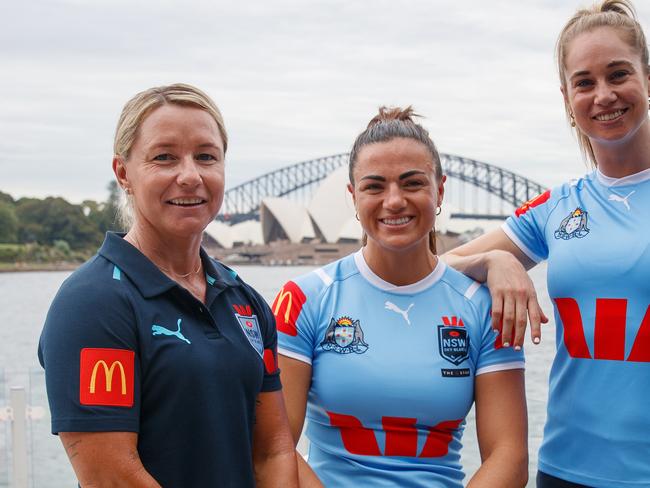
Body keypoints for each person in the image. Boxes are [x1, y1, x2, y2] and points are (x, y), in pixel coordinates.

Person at [38, 83, 299, 487]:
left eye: (206, 157)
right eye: (164, 158)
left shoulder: (244, 301)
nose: (190, 176)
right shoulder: (94, 303)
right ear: (123, 173)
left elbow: (272, 450)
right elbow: (113, 477)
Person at [444, 1, 650, 486]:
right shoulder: (558, 208)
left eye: (618, 74)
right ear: (567, 96)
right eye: (585, 82)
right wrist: (495, 260)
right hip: (565, 471)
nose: (603, 95)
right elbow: (437, 269)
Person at [272, 107, 528, 487]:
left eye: (412, 184)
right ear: (353, 197)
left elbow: (510, 455)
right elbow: (275, 449)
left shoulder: (483, 307)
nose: (394, 201)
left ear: (439, 190)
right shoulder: (302, 300)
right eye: (374, 186)